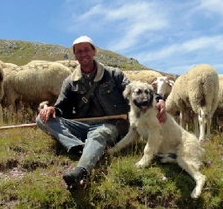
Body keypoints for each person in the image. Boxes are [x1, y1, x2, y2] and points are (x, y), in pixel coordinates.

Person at [36, 35, 166, 189]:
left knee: (98, 133)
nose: (83, 54)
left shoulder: (114, 75)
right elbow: (62, 107)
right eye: (79, 51)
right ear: (75, 55)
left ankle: (80, 171)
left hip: (111, 126)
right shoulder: (70, 82)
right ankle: (80, 147)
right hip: (82, 127)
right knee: (41, 119)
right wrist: (52, 109)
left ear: (94, 51)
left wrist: (158, 98)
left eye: (86, 50)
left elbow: (134, 89)